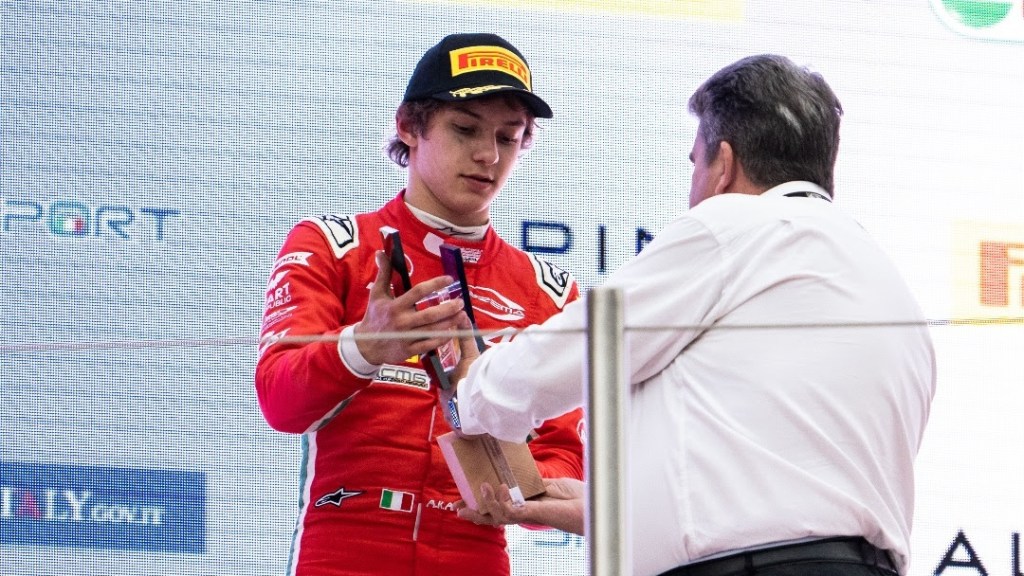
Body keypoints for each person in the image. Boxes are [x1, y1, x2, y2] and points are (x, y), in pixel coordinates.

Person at [452, 54, 936, 576]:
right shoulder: (885, 281)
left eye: (694, 163)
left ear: (723, 166)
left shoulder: (734, 226)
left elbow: (581, 348)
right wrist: (606, 505)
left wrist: (469, 396)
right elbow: (770, 468)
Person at [254, 32, 585, 576]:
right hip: (342, 550)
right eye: (465, 129)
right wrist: (365, 347)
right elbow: (281, 402)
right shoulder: (334, 246)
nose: (489, 155)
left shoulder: (548, 291)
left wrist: (517, 488)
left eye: (509, 137)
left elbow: (564, 452)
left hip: (475, 556)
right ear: (409, 125)